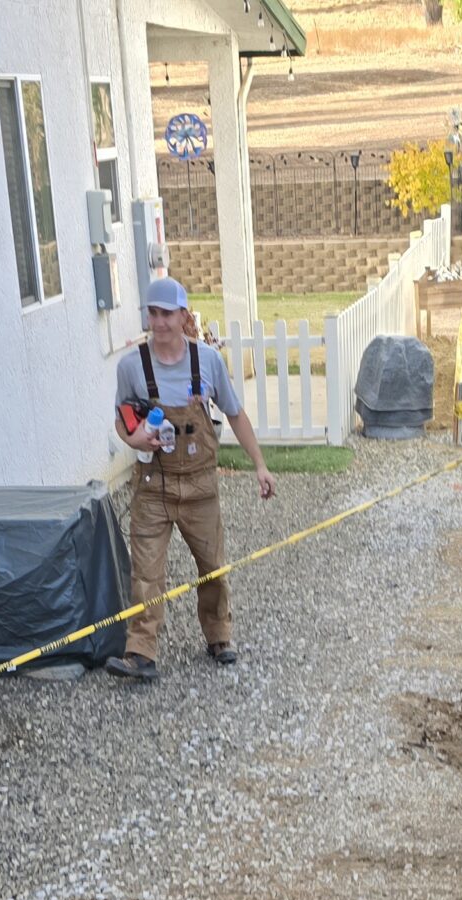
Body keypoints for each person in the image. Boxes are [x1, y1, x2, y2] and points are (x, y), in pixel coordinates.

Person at [110, 278, 275, 681]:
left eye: (167, 313)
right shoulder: (132, 366)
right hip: (152, 485)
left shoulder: (207, 361)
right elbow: (122, 420)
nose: (160, 322)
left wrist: (260, 464)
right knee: (146, 572)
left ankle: (219, 635)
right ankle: (141, 652)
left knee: (212, 566)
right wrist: (135, 437)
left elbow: (235, 413)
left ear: (184, 316)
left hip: (200, 485)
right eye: (153, 313)